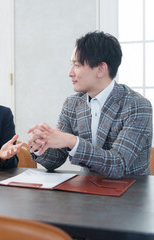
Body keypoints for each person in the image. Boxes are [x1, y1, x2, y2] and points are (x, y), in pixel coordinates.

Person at [28, 31, 153, 179]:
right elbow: (56, 159)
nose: (70, 73)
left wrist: (72, 141)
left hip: (131, 192)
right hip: (88, 191)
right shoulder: (72, 104)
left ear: (101, 69)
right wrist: (41, 145)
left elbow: (118, 165)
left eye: (77, 65)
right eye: (71, 64)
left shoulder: (137, 106)